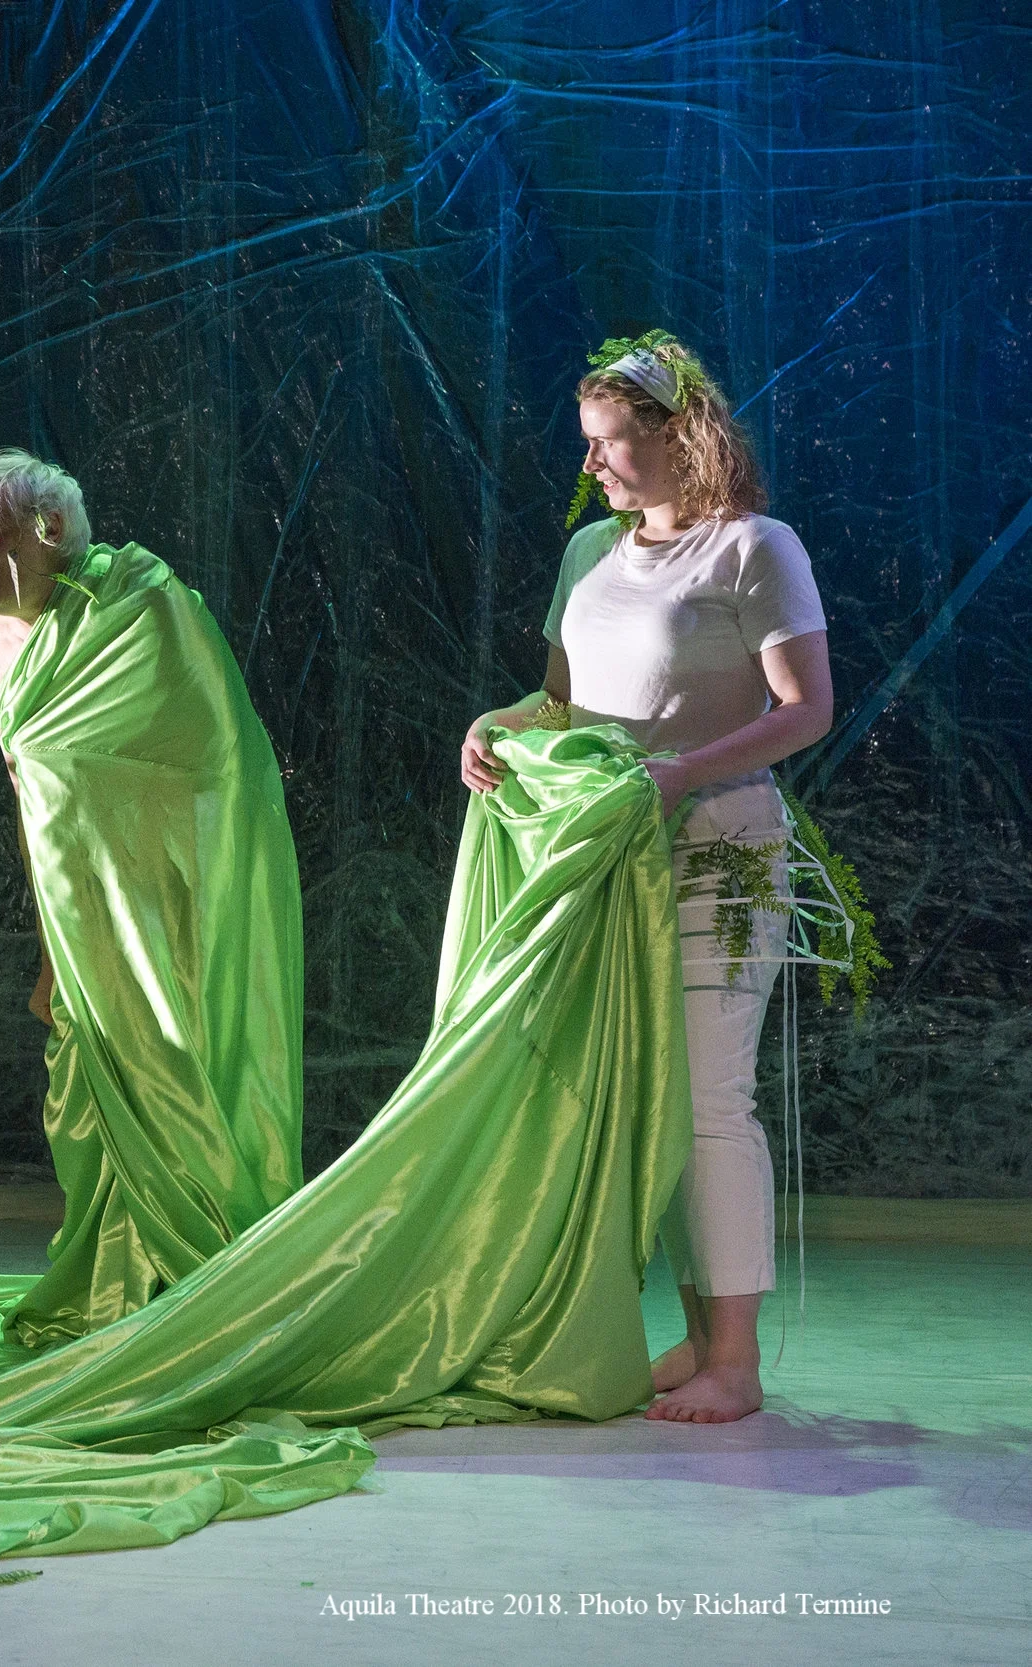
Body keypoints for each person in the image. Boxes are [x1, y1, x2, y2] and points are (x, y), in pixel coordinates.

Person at [459, 329, 831, 1424]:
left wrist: (682, 774)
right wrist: (493, 724)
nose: (591, 465)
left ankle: (736, 1360)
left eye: (610, 441)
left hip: (722, 851)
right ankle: (695, 1336)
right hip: (611, 860)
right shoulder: (590, 554)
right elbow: (560, 702)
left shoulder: (753, 548)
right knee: (654, 1101)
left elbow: (805, 709)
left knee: (710, 1098)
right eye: (586, 442)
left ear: (680, 436)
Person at [0, 450, 305, 1341]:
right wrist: (51, 944)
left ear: (47, 530)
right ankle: (116, 1283)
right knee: (89, 1094)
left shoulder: (141, 606)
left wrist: (185, 911)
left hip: (169, 906)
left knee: (177, 1074)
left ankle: (213, 1284)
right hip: (80, 915)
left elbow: (216, 767)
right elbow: (33, 797)